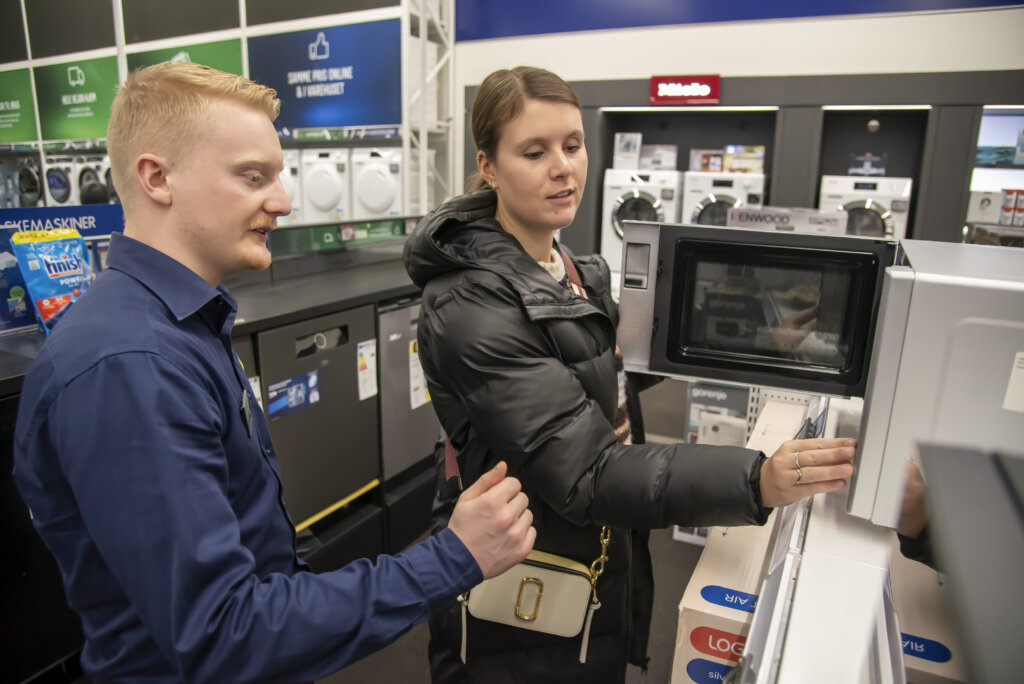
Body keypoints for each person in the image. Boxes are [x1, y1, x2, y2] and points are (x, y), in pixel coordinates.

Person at [12, 62, 535, 684]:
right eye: (252, 177)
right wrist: (451, 558)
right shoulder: (130, 366)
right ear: (157, 178)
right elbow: (223, 634)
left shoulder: (184, 326)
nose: (283, 201)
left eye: (279, 175)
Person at [402, 66, 858, 683]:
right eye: (534, 152)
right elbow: (588, 473)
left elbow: (599, 381)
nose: (563, 167)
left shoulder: (575, 267)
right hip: (523, 585)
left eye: (572, 143)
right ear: (488, 166)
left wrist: (761, 342)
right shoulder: (468, 305)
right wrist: (757, 480)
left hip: (588, 559)